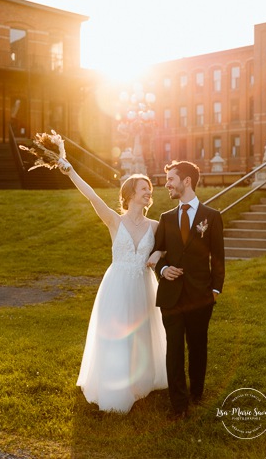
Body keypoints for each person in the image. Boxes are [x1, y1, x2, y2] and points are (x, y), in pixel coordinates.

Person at [62, 163, 167, 413]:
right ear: (130, 194)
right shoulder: (113, 220)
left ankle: (139, 381)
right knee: (117, 334)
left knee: (140, 334)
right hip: (118, 284)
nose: (149, 193)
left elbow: (167, 246)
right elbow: (91, 196)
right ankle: (115, 387)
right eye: (144, 188)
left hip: (143, 284)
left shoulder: (154, 226)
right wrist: (70, 171)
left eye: (150, 189)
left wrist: (158, 253)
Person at [150, 160, 224, 420]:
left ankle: (197, 394)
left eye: (171, 179)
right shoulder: (166, 218)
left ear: (186, 181)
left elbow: (218, 257)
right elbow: (156, 253)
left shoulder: (212, 216)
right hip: (171, 296)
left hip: (201, 295)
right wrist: (162, 269)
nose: (167, 183)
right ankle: (179, 404)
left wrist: (215, 290)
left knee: (197, 345)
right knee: (174, 350)